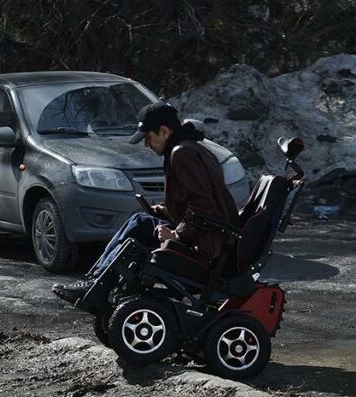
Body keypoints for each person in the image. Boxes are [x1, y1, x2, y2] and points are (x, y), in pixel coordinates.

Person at [52, 102, 239, 306]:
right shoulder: (190, 148)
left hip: (207, 244)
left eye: (148, 137)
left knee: (137, 233)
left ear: (164, 131)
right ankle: (95, 283)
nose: (147, 144)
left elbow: (203, 206)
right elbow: (195, 201)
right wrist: (164, 210)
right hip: (206, 233)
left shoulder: (182, 153)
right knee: (140, 221)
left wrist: (178, 234)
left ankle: (96, 286)